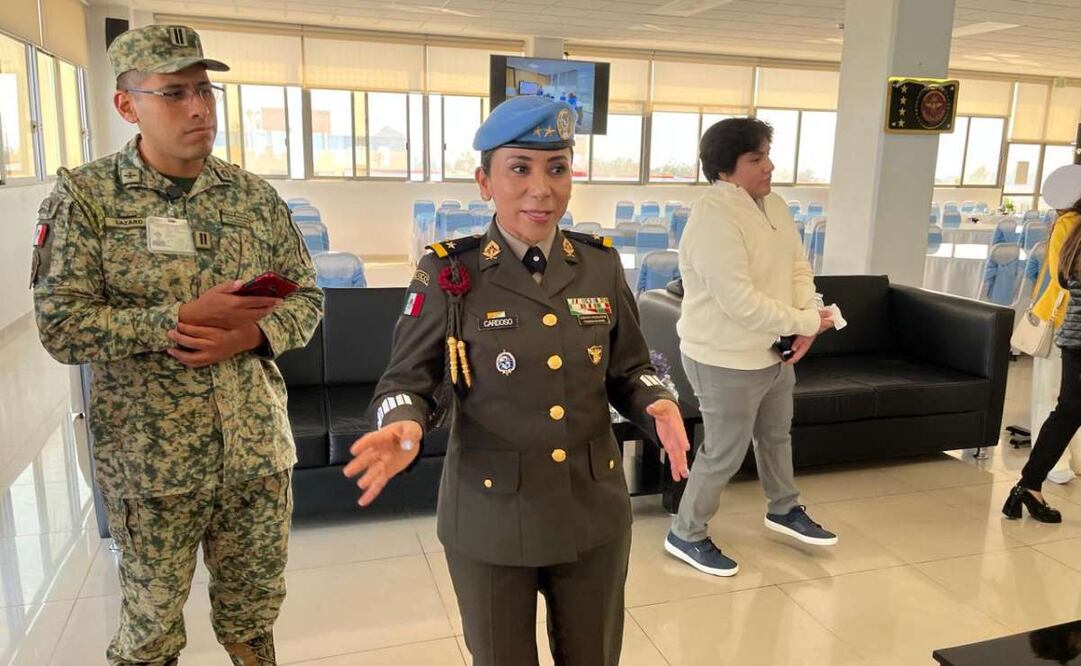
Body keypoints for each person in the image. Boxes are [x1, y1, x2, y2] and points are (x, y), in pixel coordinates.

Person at [343, 95, 691, 666]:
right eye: (519, 168)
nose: (541, 188)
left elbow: (631, 367)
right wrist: (403, 422)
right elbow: (408, 380)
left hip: (592, 507)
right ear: (485, 181)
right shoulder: (449, 272)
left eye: (557, 168)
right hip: (491, 513)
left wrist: (655, 400)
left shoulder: (599, 265)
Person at [32, 25, 323, 665]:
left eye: (204, 91)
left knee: (253, 617)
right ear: (127, 105)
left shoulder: (252, 198)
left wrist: (250, 334)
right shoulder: (87, 200)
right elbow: (61, 325)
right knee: (151, 634)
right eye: (173, 94)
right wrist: (180, 317)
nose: (198, 109)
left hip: (255, 454)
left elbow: (308, 299)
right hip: (151, 466)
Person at [664, 117, 837, 578]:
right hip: (723, 355)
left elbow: (799, 268)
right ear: (725, 169)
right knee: (724, 449)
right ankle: (686, 532)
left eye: (767, 156)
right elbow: (739, 302)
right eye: (756, 158)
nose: (769, 166)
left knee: (776, 435)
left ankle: (783, 508)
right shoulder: (713, 219)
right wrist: (805, 321)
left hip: (773, 350)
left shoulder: (774, 205)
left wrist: (807, 322)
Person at [1004, 166, 1081, 523]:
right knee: (1068, 410)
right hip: (1076, 333)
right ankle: (1029, 485)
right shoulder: (1070, 225)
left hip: (1075, 335)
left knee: (1068, 411)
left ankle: (1027, 486)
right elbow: (1065, 279)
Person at [1026, 181, 1081, 485]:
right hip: (1060, 320)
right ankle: (1049, 468)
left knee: (1072, 404)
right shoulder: (1068, 224)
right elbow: (1062, 277)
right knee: (1055, 398)